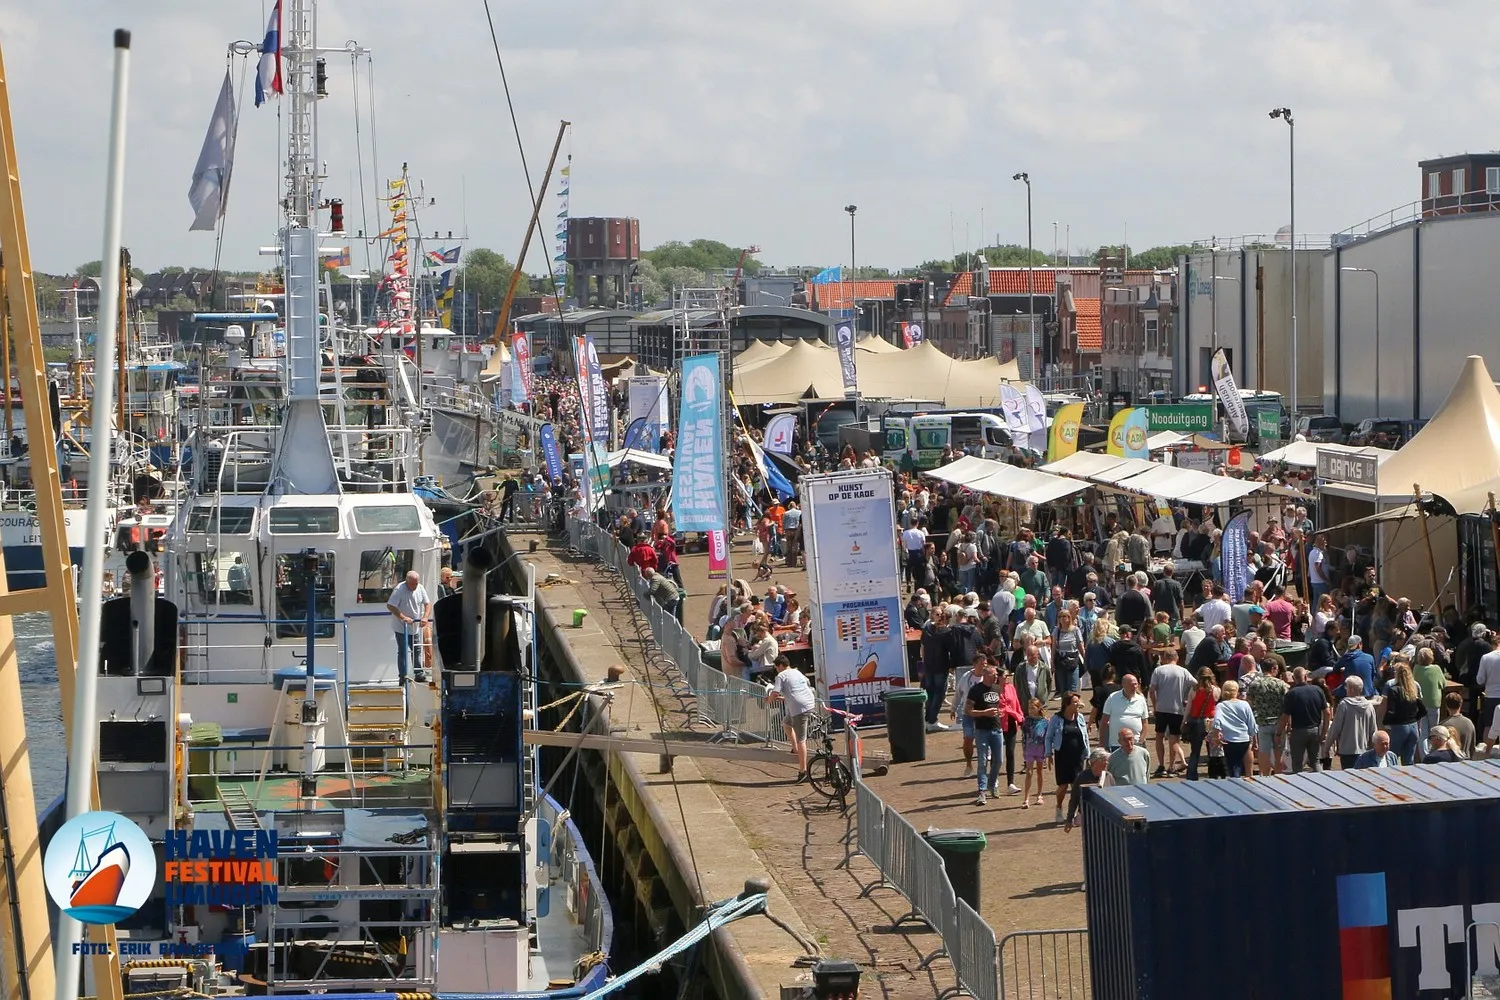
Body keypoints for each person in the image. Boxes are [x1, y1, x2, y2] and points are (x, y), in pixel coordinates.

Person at [767, 655, 815, 782]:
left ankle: (803, 771)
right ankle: (795, 748)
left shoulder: (781, 676)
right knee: (786, 723)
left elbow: (775, 692)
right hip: (808, 703)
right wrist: (784, 698)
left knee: (801, 740)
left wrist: (769, 700)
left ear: (780, 665)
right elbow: (799, 689)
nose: (776, 670)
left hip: (799, 709)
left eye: (776, 667)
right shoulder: (797, 672)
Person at [1148, 650, 1195, 777]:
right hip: (1177, 709)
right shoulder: (1183, 671)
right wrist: (1188, 698)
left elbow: (1152, 690)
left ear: (1164, 658)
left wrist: (1155, 705)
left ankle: (1161, 765)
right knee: (1174, 739)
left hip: (1161, 708)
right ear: (1177, 657)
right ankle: (1172, 767)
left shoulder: (1158, 671)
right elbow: (1195, 684)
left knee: (1159, 736)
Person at [1047, 691, 1089, 824]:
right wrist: (1048, 754)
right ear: (1067, 704)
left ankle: (1076, 813)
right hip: (1062, 756)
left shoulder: (1080, 717)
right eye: (1075, 702)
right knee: (1063, 785)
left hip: (1078, 756)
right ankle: (1059, 807)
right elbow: (1049, 737)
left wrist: (1088, 754)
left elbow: (1085, 736)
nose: (1078, 704)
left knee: (1077, 786)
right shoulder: (1056, 719)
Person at [1278, 667, 1332, 773]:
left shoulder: (1291, 694)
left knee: (1297, 764)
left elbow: (1285, 717)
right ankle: (1320, 780)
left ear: (1294, 678)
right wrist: (1324, 732)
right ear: (1306, 677)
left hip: (1298, 731)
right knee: (1315, 762)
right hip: (1315, 730)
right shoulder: (1317, 690)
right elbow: (1327, 713)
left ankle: (1299, 782)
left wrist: (1278, 733)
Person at [966, 663, 1004, 806]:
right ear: (986, 675)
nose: (996, 676)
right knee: (982, 761)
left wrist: (1000, 712)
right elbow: (968, 710)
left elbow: (997, 706)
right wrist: (984, 713)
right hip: (982, 730)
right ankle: (982, 791)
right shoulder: (975, 690)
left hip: (997, 728)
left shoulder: (997, 688)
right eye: (994, 674)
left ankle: (992, 784)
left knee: (999, 760)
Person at [1325, 675, 1379, 769]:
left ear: (1352, 689)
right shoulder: (1369, 706)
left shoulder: (1344, 705)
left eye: (1347, 687)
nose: (1346, 689)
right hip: (1365, 750)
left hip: (1347, 751)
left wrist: (1327, 746)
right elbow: (1374, 730)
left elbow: (1335, 728)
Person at [386, 570, 431, 683]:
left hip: (414, 627)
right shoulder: (399, 590)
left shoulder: (420, 588)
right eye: (413, 584)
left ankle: (418, 674)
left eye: (416, 583)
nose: (415, 586)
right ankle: (403, 676)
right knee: (403, 651)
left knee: (417, 650)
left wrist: (425, 617)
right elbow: (390, 605)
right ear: (407, 581)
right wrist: (403, 617)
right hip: (401, 627)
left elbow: (427, 604)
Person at [1380, 660, 1426, 765]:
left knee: (1392, 758)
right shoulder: (1413, 688)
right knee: (1409, 760)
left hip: (1399, 727)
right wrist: (1415, 719)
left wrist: (1385, 723)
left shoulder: (1393, 690)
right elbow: (1423, 710)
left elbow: (1391, 710)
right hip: (1413, 727)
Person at [1210, 679, 1257, 779]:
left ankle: (1236, 781)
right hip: (1244, 739)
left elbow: (1216, 722)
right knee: (1245, 762)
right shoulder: (1245, 704)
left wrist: (1216, 737)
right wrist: (1254, 740)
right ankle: (1249, 777)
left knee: (1233, 766)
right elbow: (1252, 724)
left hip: (1229, 740)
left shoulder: (1221, 706)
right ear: (1236, 691)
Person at [953, 656, 989, 778]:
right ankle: (968, 764)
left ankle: (983, 766)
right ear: (974, 664)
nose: (984, 666)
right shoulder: (966, 677)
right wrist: (953, 708)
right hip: (968, 713)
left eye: (985, 664)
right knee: (968, 738)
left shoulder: (988, 676)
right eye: (981, 664)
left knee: (983, 738)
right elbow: (958, 693)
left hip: (984, 713)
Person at [1063, 748, 1113, 833]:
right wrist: (1069, 820)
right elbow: (1074, 799)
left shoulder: (1109, 777)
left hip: (1106, 819)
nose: (1107, 763)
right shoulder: (1082, 777)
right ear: (1095, 762)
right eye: (1104, 760)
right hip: (1088, 819)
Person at [1184, 668, 1219, 780]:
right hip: (1211, 721)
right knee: (1212, 751)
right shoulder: (1216, 690)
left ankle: (1192, 775)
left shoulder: (1193, 690)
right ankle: (1213, 774)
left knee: (1195, 751)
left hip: (1196, 721)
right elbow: (1216, 705)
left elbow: (1189, 707)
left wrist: (1184, 721)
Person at [1101, 673, 1149, 751]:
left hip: (1136, 744)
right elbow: (1104, 722)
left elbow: (1145, 722)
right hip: (1116, 744)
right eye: (1132, 684)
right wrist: (1102, 742)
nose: (1135, 687)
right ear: (1123, 685)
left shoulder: (1141, 699)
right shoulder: (1112, 698)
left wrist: (1141, 740)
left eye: (1136, 684)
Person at [1020, 698, 1050, 809]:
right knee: (1029, 772)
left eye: (1033, 708)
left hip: (1040, 749)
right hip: (1029, 749)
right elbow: (1023, 736)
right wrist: (1023, 749)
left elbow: (1047, 737)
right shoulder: (1026, 721)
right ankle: (1026, 798)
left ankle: (1039, 795)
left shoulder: (1045, 722)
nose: (1030, 710)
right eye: (1029, 708)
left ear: (1038, 708)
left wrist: (1048, 751)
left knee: (1039, 772)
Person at [1013, 642, 1053, 710]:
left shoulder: (1044, 668)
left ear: (1038, 655)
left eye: (1032, 655)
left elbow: (1049, 683)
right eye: (1028, 655)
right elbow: (1017, 684)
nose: (1029, 657)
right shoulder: (1020, 668)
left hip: (1040, 705)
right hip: (1026, 705)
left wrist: (1044, 697)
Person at [1439, 690, 1477, 758]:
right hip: (1467, 761)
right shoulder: (1469, 723)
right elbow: (1472, 748)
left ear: (1446, 706)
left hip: (1449, 762)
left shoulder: (1443, 725)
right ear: (1461, 704)